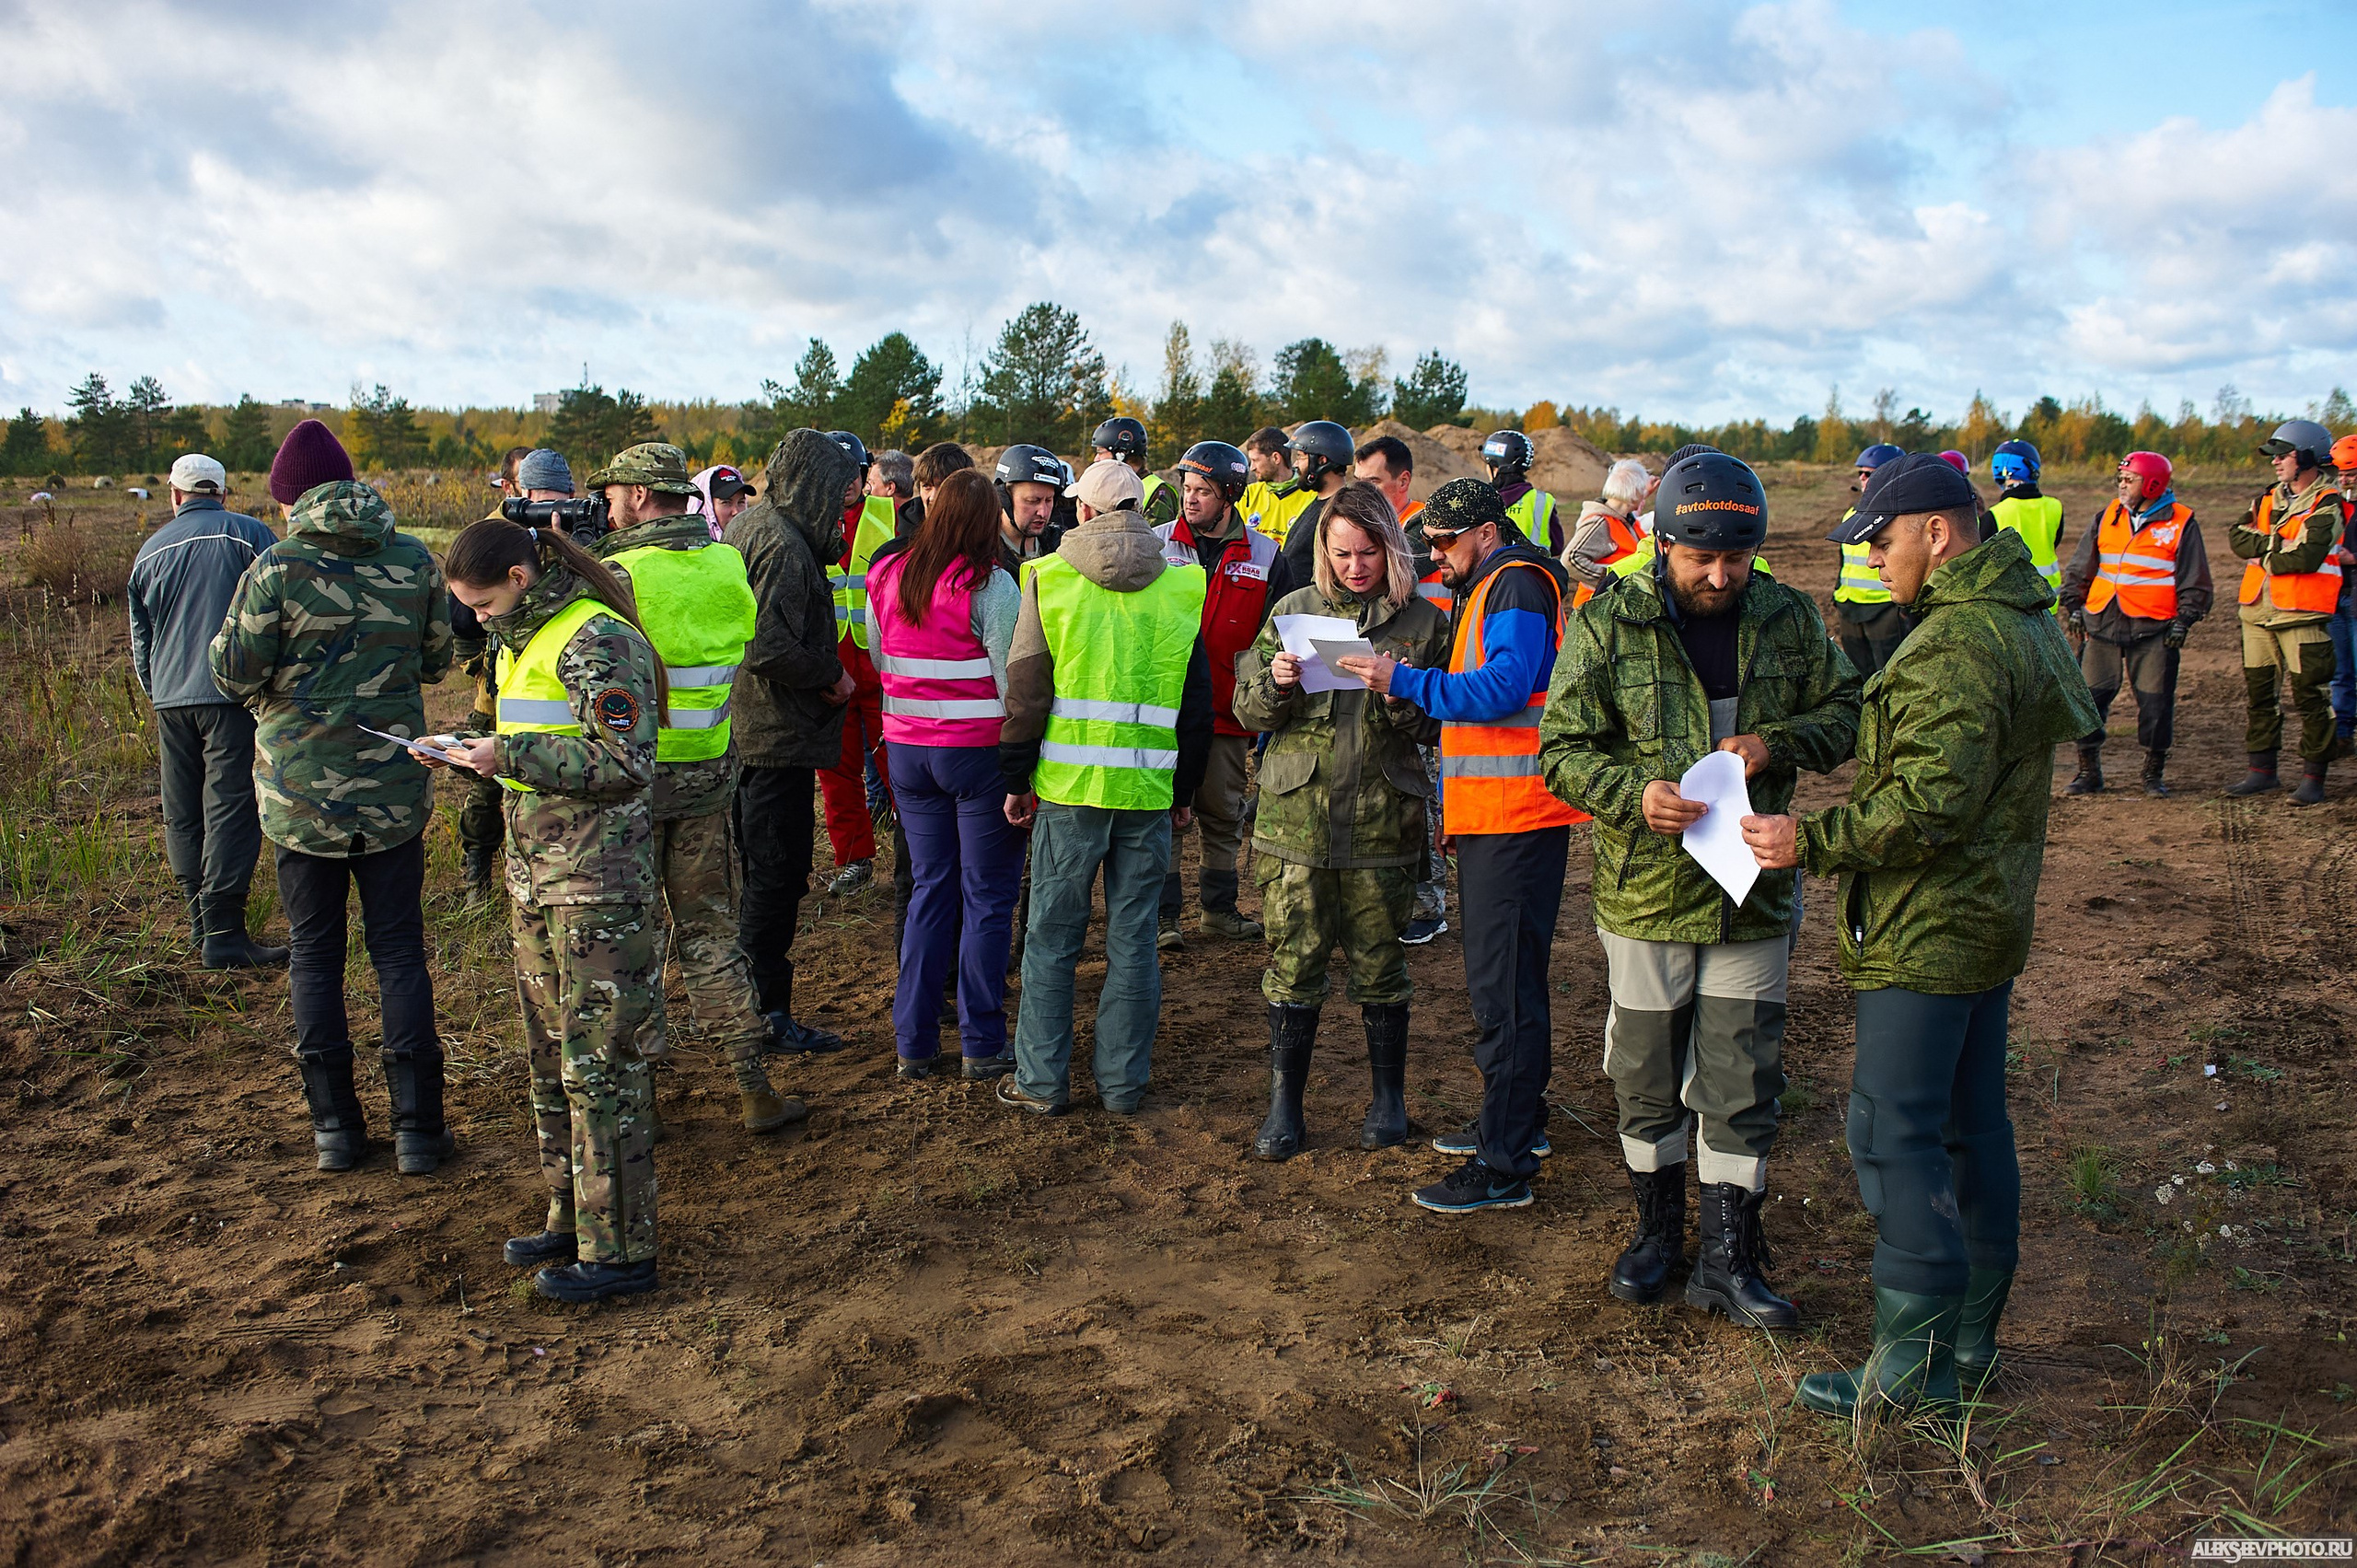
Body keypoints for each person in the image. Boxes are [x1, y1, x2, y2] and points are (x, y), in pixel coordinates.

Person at [1740, 453, 2096, 1416]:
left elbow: (1925, 806)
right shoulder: (2020, 615)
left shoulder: (1954, 643)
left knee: (1893, 1131)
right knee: (1971, 1128)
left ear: (1936, 532)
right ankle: (1969, 1341)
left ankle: (1911, 1367)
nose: (1877, 560)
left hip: (1927, 925)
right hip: (1988, 915)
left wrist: (1802, 838)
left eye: (1883, 541)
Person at [1540, 452, 1861, 1329]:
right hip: (1645, 898)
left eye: (1736, 558)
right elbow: (1560, 749)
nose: (1719, 576)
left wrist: (1774, 744)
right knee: (1643, 1071)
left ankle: (1729, 1255)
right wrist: (1631, 794)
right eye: (1699, 558)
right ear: (1662, 542)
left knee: (1742, 1075)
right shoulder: (1610, 624)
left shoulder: (1790, 618)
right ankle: (1656, 1235)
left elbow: (1846, 716)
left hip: (1750, 895)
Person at [207, 419, 454, 1175]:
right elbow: (440, 659)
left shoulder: (275, 570)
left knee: (315, 956)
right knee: (399, 952)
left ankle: (336, 1132)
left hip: (298, 795)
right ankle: (418, 1131)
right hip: (391, 792)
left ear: (290, 500)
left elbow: (231, 673)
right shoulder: (413, 559)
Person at [434, 518, 667, 1304]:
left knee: (602, 1065)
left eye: (485, 603)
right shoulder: (516, 639)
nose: (479, 620)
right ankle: (571, 1216)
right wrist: (461, 746)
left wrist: (512, 755)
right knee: (551, 1058)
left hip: (599, 884)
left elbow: (627, 760)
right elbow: (527, 726)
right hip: (535, 879)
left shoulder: (595, 638)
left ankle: (622, 1250)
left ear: (520, 578)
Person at [1340, 480, 1579, 1214]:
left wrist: (1404, 679)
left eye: (1444, 543)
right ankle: (1516, 1126)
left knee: (1503, 994)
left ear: (1483, 531)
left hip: (1515, 819)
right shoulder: (1500, 586)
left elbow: (1504, 687)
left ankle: (1503, 1163)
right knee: (1507, 987)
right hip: (1500, 817)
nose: (1436, 557)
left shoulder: (1513, 587)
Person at [583, 443, 804, 1134]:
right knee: (710, 929)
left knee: (633, 938)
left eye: (614, 493)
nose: (608, 505)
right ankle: (750, 1082)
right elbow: (744, 639)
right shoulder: (726, 560)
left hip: (633, 781)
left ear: (642, 497)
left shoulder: (616, 571)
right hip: (709, 772)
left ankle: (639, 1096)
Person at [1233, 482, 1448, 1158]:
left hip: (1382, 821)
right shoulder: (1293, 610)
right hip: (1295, 822)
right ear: (1324, 549)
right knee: (1293, 963)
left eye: (1370, 552)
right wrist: (1277, 682)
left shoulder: (1422, 622)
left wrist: (1397, 690)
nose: (1357, 566)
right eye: (1343, 552)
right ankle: (1283, 1109)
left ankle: (1388, 1102)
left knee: (1382, 965)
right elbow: (1247, 709)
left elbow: (1439, 724)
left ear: (1392, 548)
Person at [996, 459, 1213, 1116]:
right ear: (1140, 511)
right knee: (1134, 939)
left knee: (1053, 939)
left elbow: (1027, 694)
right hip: (1147, 793)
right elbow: (1197, 703)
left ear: (1082, 512)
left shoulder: (1049, 578)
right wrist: (1185, 792)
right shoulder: (1181, 585)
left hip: (1068, 792)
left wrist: (1015, 778)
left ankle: (1040, 1081)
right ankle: (1122, 1085)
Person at [869, 468, 1024, 1080]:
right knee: (987, 897)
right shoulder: (992, 585)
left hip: (907, 752)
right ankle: (982, 1042)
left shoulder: (886, 573)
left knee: (930, 889)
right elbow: (1012, 683)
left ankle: (914, 1040)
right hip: (978, 756)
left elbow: (880, 654)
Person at [129, 452, 284, 967]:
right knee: (230, 807)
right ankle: (223, 934)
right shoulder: (250, 536)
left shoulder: (148, 552)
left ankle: (200, 925)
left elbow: (141, 639)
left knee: (182, 811)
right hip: (230, 696)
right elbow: (279, 610)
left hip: (170, 700)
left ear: (175, 495)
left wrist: (159, 691)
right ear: (223, 492)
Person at [730, 430, 858, 1053]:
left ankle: (754, 1008)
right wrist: (829, 674)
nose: (847, 505)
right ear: (810, 485)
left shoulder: (756, 527)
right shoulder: (781, 545)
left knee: (763, 876)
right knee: (775, 880)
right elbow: (764, 646)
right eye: (837, 492)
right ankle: (765, 1015)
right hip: (772, 739)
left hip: (753, 736)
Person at [1153, 439, 1295, 948]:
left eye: (1203, 491)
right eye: (1187, 488)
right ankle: (1164, 917)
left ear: (1230, 494)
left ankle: (1217, 909)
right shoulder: (1157, 544)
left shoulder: (1265, 555)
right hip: (1163, 708)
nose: (1190, 499)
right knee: (1163, 812)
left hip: (1228, 711)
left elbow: (1276, 631)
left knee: (1223, 815)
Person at [454, 447, 577, 901]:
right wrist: (477, 666)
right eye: (538, 498)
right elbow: (464, 616)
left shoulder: (578, 531)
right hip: (499, 686)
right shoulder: (495, 535)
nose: (548, 509)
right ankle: (476, 873)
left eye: (557, 497)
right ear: (519, 494)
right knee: (485, 784)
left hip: (558, 689)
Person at [2057, 451, 2212, 797]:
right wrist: (2075, 606)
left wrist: (2184, 620)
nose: (2122, 486)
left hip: (2154, 628)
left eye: (2130, 480)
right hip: (2101, 623)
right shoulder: (2107, 515)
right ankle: (2089, 772)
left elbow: (2195, 579)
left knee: (2156, 704)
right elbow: (2083, 565)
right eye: (2121, 479)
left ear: (2153, 484)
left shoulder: (2182, 522)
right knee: (2089, 699)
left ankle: (2152, 775)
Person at [1355, 434, 1451, 947]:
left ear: (1403, 481)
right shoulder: (1378, 530)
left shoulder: (1420, 531)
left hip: (1425, 677)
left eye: (1373, 482)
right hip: (1385, 678)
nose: (1364, 492)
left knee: (1425, 799)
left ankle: (1428, 904)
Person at [2228, 419, 2351, 804]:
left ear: (2309, 458)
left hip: (2302, 614)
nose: (2276, 462)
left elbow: (2307, 557)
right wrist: (2277, 543)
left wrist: (2265, 548)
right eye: (2275, 456)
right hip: (2257, 614)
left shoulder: (2328, 502)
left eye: (2284, 455)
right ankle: (2261, 771)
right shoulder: (2266, 499)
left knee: (2311, 697)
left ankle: (2314, 777)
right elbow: (2236, 537)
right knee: (2260, 696)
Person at [816, 431, 898, 896]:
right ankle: (854, 861)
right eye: (835, 472)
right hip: (831, 671)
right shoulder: (807, 524)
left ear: (866, 475)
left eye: (853, 472)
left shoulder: (891, 517)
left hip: (884, 669)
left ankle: (916, 846)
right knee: (837, 772)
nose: (845, 482)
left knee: (900, 767)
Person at [1833, 444, 1910, 675]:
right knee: (1859, 679)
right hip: (1850, 609)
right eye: (1861, 473)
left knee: (1889, 676)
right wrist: (1838, 593)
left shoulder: (1902, 516)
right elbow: (1844, 560)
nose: (1863, 478)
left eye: (1870, 473)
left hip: (1884, 610)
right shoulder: (1851, 513)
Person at [1563, 459, 1656, 609]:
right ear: (1634, 491)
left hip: (1612, 607)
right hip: (1595, 610)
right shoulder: (1600, 522)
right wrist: (1609, 581)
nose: (1644, 493)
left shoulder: (1626, 521)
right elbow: (1570, 560)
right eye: (1642, 489)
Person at [1981, 439, 2063, 610]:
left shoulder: (1994, 514)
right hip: (2049, 600)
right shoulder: (2055, 507)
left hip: (2014, 606)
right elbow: (2055, 541)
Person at [1275, 422, 1357, 582]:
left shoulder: (1342, 512)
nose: (1295, 464)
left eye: (1300, 456)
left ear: (1321, 461)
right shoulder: (1319, 502)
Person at [1481, 430, 1566, 555]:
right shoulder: (1543, 501)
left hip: (1493, 573)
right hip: (1534, 572)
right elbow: (1557, 547)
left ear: (1496, 467)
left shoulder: (1481, 500)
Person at [1093, 416, 1179, 528]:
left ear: (1121, 454)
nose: (1096, 459)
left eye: (1100, 452)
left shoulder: (1159, 492)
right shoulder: (1113, 487)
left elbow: (1154, 541)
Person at [994, 444, 1067, 575]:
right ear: (1004, 497)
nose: (1043, 512)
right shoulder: (983, 553)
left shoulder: (1062, 546)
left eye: (1049, 500)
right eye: (1032, 501)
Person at [1240, 425, 1315, 544]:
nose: (1252, 468)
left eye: (1256, 460)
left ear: (1276, 458)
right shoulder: (1247, 495)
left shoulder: (1311, 496)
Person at [2332, 435, 2357, 751]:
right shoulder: (2333, 506)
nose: (2345, 480)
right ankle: (2341, 734)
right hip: (2333, 597)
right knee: (2339, 672)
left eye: (2350, 474)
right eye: (2340, 475)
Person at [691, 463, 755, 541]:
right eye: (726, 502)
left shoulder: (753, 545)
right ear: (705, 507)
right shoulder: (689, 551)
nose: (736, 512)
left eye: (741, 502)